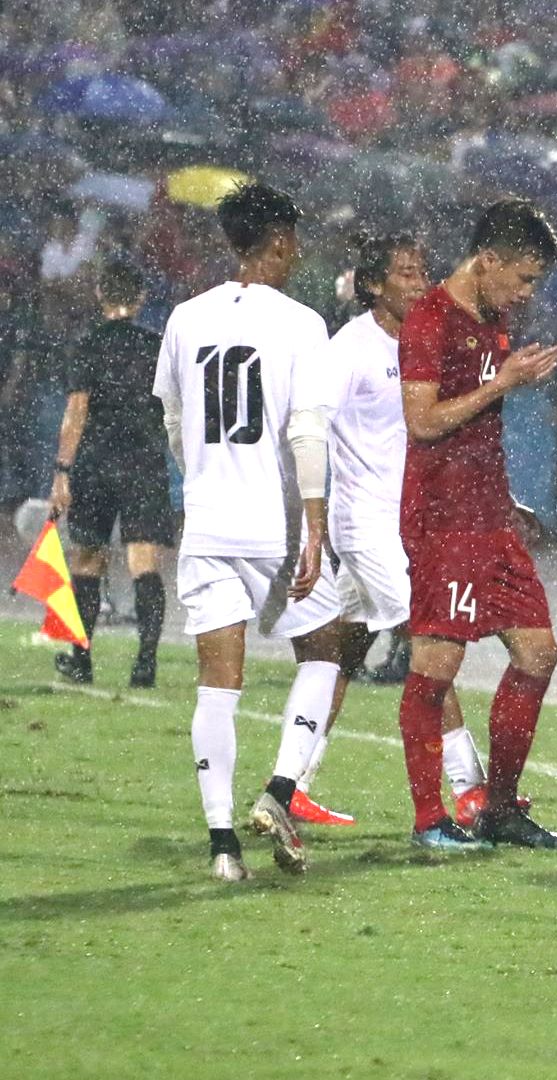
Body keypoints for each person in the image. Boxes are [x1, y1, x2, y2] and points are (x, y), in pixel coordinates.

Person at [151, 183, 344, 882]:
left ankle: (222, 845)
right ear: (280, 242)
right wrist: (315, 524)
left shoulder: (185, 317)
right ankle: (281, 789)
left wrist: (204, 479)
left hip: (206, 523)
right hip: (273, 525)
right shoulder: (301, 323)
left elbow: (174, 421)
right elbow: (306, 430)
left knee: (217, 687)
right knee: (325, 649)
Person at [275, 232, 491, 831]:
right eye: (405, 273)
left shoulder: (428, 343)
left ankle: (290, 785)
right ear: (373, 284)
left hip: (410, 520)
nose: (419, 283)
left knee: (344, 653)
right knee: (431, 642)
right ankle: (471, 790)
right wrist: (311, 519)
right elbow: (309, 426)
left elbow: (438, 431)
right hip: (366, 525)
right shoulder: (349, 349)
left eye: (422, 271)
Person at [395, 198, 557, 851]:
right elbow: (423, 422)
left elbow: (471, 430)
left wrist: (506, 498)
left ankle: (498, 809)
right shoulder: (430, 319)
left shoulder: (492, 319)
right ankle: (429, 821)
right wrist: (503, 382)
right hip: (443, 521)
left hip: (488, 514)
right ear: (489, 260)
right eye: (523, 279)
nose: (526, 294)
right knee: (436, 668)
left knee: (538, 652)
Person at [46, 257, 171, 688]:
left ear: (100, 294)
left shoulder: (88, 345)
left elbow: (76, 411)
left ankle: (81, 659)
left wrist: (62, 471)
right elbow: (172, 407)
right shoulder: (155, 346)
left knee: (88, 558)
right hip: (143, 462)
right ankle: (145, 663)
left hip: (95, 463)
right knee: (143, 560)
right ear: (141, 298)